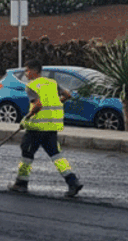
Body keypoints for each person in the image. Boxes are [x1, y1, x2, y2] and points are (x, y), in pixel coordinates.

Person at [9, 60, 84, 197]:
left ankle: (21, 184)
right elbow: (67, 95)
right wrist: (56, 102)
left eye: (27, 70)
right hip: (51, 126)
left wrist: (26, 118)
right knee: (56, 155)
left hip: (36, 128)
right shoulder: (52, 83)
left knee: (27, 154)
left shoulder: (31, 86)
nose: (26, 74)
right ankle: (73, 182)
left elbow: (38, 105)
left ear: (34, 71)